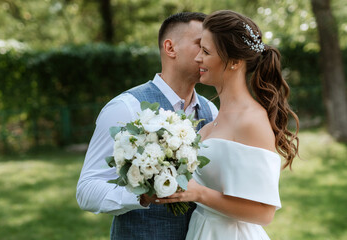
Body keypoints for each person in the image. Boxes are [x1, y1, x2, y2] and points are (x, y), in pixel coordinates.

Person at [156, 10, 299, 240]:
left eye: (206, 51)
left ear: (233, 62)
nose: (197, 58)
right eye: (199, 48)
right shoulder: (214, 117)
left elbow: (264, 213)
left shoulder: (251, 120)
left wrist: (198, 193)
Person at [76, 12, 218, 240]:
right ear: (170, 48)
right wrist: (140, 196)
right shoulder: (125, 108)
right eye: (201, 45)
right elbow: (86, 190)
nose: (208, 55)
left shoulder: (212, 112)